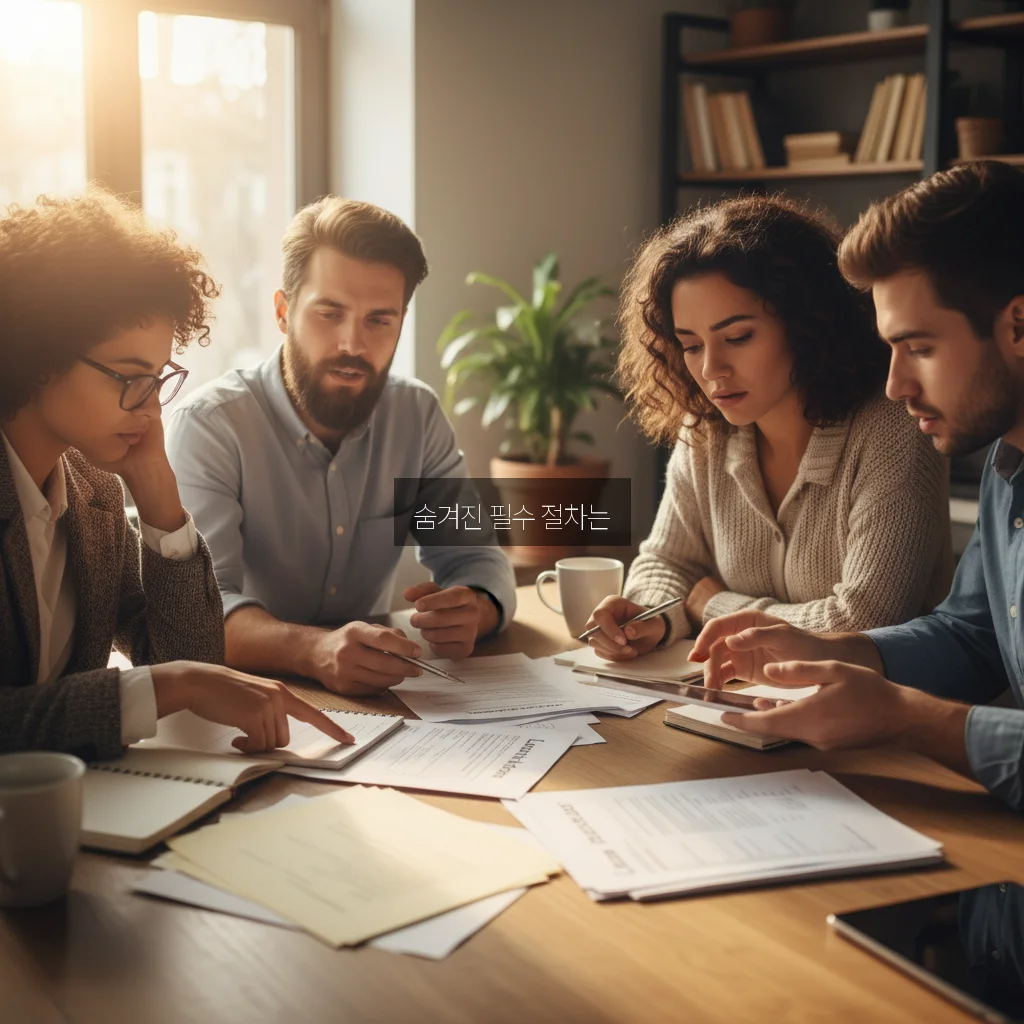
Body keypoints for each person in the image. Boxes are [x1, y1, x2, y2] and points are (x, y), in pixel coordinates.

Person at [692, 161, 1024, 812]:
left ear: (1018, 326)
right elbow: (975, 633)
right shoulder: (1006, 459)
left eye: (919, 347)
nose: (896, 385)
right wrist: (836, 650)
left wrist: (906, 717)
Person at [0, 190, 353, 759]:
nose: (150, 406)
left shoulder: (91, 494)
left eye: (158, 378)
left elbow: (187, 656)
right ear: (40, 354)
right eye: (129, 376)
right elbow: (176, 680)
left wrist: (160, 498)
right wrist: (172, 685)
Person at [165, 197, 516, 696]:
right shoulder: (210, 427)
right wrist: (313, 649)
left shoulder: (416, 415)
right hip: (250, 700)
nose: (352, 343)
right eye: (329, 313)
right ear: (284, 312)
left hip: (382, 699)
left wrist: (476, 608)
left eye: (379, 320)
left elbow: (478, 558)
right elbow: (197, 612)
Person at [584, 195, 950, 660]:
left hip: (873, 717)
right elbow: (668, 561)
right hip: (743, 699)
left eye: (738, 338)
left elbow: (863, 622)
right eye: (691, 346)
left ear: (806, 323)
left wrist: (714, 606)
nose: (712, 369)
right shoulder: (706, 430)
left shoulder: (893, 429)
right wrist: (648, 618)